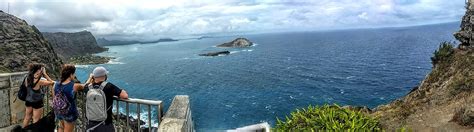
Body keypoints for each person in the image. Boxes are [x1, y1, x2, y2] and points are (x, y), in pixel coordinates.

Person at [86, 66, 128, 132]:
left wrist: (90, 78)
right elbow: (125, 96)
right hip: (105, 124)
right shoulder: (108, 86)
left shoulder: (88, 87)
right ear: (105, 75)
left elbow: (85, 85)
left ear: (94, 77)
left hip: (90, 124)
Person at [53, 64, 93, 132]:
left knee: (60, 128)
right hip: (69, 113)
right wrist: (90, 77)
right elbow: (86, 85)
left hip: (59, 111)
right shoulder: (74, 86)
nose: (74, 76)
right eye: (74, 74)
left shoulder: (56, 84)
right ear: (70, 74)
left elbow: (54, 97)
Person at [22, 63, 54, 128]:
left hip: (28, 100)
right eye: (40, 69)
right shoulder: (39, 81)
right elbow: (52, 82)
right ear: (37, 70)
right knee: (36, 120)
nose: (41, 70)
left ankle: (22, 130)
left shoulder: (26, 78)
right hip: (37, 102)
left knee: (27, 117)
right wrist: (45, 74)